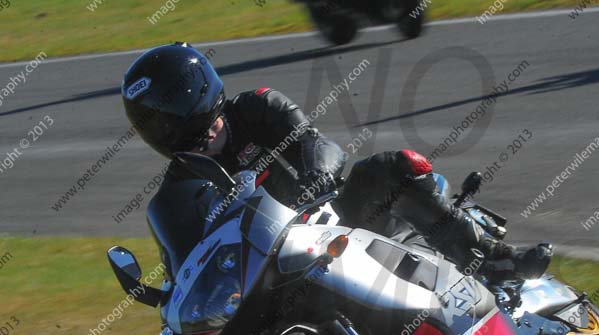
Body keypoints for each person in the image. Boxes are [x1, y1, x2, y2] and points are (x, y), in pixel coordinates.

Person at [122, 42, 551, 280]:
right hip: (281, 270)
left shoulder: (256, 107)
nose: (200, 128)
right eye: (168, 119)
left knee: (390, 166)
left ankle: (492, 257)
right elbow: (183, 263)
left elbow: (316, 142)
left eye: (193, 108)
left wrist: (317, 176)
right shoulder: (178, 191)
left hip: (339, 215)